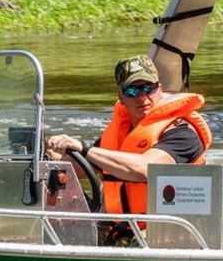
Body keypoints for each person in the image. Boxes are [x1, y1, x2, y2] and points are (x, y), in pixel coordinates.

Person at [46, 55, 212, 236]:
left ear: (160, 89)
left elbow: (145, 169)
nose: (143, 97)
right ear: (121, 96)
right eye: (133, 91)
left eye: (148, 88)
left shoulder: (182, 133)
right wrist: (49, 157)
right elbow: (76, 169)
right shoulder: (117, 137)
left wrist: (83, 148)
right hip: (121, 232)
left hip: (171, 234)